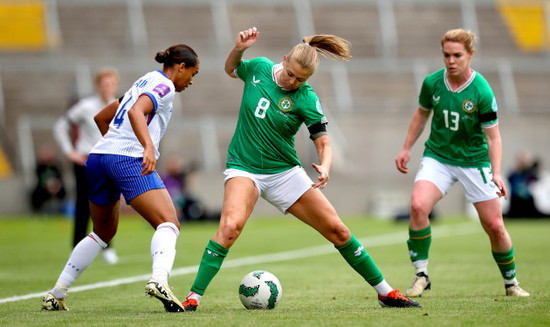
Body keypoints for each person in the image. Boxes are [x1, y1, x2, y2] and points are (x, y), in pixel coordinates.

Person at [181, 27, 421, 311]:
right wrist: (239, 49)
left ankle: (385, 293)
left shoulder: (306, 97)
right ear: (284, 60)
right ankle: (193, 298)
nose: (293, 81)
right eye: (290, 74)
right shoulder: (258, 68)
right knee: (230, 227)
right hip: (244, 168)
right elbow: (230, 68)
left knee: (339, 231)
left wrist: (326, 166)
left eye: (301, 79)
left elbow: (324, 144)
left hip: (284, 172)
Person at [41, 44, 200, 312]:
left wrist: (114, 149)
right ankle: (159, 280)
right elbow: (136, 112)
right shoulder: (165, 86)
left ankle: (56, 293)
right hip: (127, 159)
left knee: (102, 232)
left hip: (98, 158)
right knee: (169, 222)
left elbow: (101, 117)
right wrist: (146, 147)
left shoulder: (143, 80)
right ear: (181, 67)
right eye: (192, 74)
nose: (191, 81)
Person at [394, 29, 529, 298]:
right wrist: (407, 147)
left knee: (494, 225)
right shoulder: (432, 83)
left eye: (457, 55)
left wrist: (497, 173)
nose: (451, 61)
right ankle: (421, 275)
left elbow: (493, 137)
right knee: (418, 205)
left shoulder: (482, 91)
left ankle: (511, 283)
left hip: (474, 161)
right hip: (438, 158)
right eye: (446, 55)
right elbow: (421, 115)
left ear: (470, 55)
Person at [53, 67, 120, 264]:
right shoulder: (86, 106)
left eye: (110, 84)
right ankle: (76, 248)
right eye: (103, 84)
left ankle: (108, 248)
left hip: (108, 161)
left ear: (114, 85)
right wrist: (69, 151)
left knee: (109, 204)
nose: (107, 87)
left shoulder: (120, 105)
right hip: (86, 160)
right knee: (83, 205)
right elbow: (60, 125)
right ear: (98, 86)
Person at [506, 150, 547, 218]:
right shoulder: (513, 174)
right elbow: (512, 182)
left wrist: (531, 170)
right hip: (516, 202)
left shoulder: (530, 174)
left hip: (528, 203)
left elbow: (537, 180)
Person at [30, 144, 66, 214]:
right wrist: (48, 186)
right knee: (36, 194)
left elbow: (60, 178)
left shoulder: (56, 165)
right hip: (43, 188)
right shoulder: (40, 166)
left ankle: (61, 210)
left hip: (56, 187)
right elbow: (40, 179)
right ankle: (37, 211)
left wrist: (56, 186)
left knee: (63, 191)